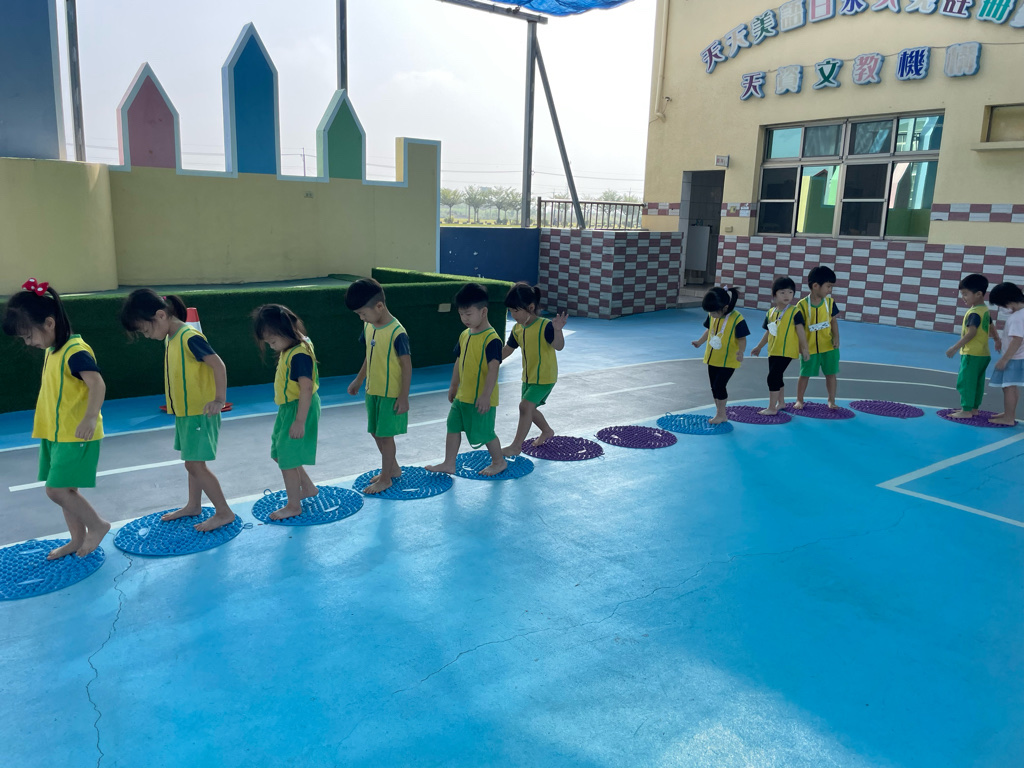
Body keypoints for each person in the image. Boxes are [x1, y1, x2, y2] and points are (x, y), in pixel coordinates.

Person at [2, 279, 110, 559]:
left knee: (56, 490)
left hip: (75, 434)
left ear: (49, 323)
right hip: (56, 433)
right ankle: (77, 539)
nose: (29, 343)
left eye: (29, 336)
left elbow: (97, 384)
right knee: (67, 491)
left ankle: (98, 525)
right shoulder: (54, 349)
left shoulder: (75, 351)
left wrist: (90, 418)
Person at [119, 289, 235, 531]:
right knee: (191, 463)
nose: (147, 336)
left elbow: (218, 365)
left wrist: (219, 399)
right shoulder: (171, 338)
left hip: (200, 413)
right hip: (186, 414)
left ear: (161, 316)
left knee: (195, 465)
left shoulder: (189, 337)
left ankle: (224, 512)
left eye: (146, 330)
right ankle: (194, 505)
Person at [426, 283, 507, 476]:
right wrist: (454, 385)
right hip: (463, 396)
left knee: (486, 432)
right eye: (461, 314)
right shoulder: (465, 335)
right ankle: (449, 463)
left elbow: (494, 368)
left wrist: (486, 395)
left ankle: (499, 461)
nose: (464, 318)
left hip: (481, 398)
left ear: (483, 311)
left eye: (468, 314)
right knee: (453, 426)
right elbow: (459, 361)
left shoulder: (492, 339)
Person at [344, 278, 412, 494]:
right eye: (358, 314)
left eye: (363, 313)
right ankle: (393, 469)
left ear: (379, 306)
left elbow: (407, 365)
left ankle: (386, 479)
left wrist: (403, 396)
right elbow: (369, 354)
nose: (361, 318)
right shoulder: (369, 326)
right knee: (375, 432)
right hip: (372, 391)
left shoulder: (397, 332)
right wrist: (359, 379)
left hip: (390, 394)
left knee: (385, 436)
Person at [253, 304, 321, 518]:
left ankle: (294, 506)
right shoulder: (292, 346)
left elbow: (306, 388)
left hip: (298, 407)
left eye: (273, 341)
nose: (271, 346)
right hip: (288, 408)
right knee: (279, 453)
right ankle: (307, 487)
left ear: (286, 332)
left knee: (287, 459)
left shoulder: (299, 354)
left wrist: (300, 420)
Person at [499, 283, 567, 456]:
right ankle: (547, 431)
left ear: (530, 307)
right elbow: (507, 349)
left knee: (524, 406)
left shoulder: (545, 326)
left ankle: (516, 446)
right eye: (510, 311)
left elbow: (558, 346)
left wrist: (558, 331)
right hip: (528, 378)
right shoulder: (517, 328)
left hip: (545, 378)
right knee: (529, 409)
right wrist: (490, 361)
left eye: (516, 311)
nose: (513, 315)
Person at [945, 273, 1001, 419]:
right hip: (984, 354)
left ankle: (966, 410)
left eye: (965, 294)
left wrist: (955, 347)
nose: (963, 297)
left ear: (978, 294)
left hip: (971, 354)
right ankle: (974, 408)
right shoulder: (984, 310)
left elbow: (971, 333)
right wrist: (997, 339)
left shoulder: (974, 313)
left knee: (966, 382)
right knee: (978, 382)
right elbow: (991, 325)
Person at [691, 286, 749, 425]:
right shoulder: (713, 314)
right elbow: (709, 330)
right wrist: (699, 342)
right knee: (714, 387)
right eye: (709, 312)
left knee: (719, 385)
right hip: (713, 358)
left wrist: (741, 352)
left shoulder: (737, 318)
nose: (711, 315)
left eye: (713, 312)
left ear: (725, 307)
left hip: (728, 360)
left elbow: (742, 338)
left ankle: (721, 414)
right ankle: (719, 412)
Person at [794, 265, 841, 410]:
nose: (830, 290)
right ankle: (799, 400)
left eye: (831, 287)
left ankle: (831, 400)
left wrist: (836, 337)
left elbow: (833, 321)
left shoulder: (830, 303)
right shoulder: (801, 305)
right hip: (809, 349)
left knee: (831, 374)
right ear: (815, 286)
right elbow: (798, 328)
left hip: (829, 347)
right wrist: (801, 347)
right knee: (804, 374)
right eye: (828, 286)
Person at [750, 276, 799, 415]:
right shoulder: (771, 312)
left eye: (790, 292)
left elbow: (801, 331)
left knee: (772, 377)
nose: (787, 295)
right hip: (773, 350)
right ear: (774, 294)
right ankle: (781, 403)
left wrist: (804, 347)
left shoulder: (795, 311)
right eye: (782, 292)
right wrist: (759, 346)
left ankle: (772, 408)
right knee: (778, 376)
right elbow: (769, 332)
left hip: (787, 351)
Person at [985, 282, 1022, 426]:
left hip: (1015, 358)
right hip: (1017, 356)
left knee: (1008, 387)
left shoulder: (1017, 318)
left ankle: (1009, 418)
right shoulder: (1020, 314)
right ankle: (1009, 413)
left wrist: (1005, 359)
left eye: (1001, 305)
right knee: (1010, 386)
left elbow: (1017, 340)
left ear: (1008, 302)